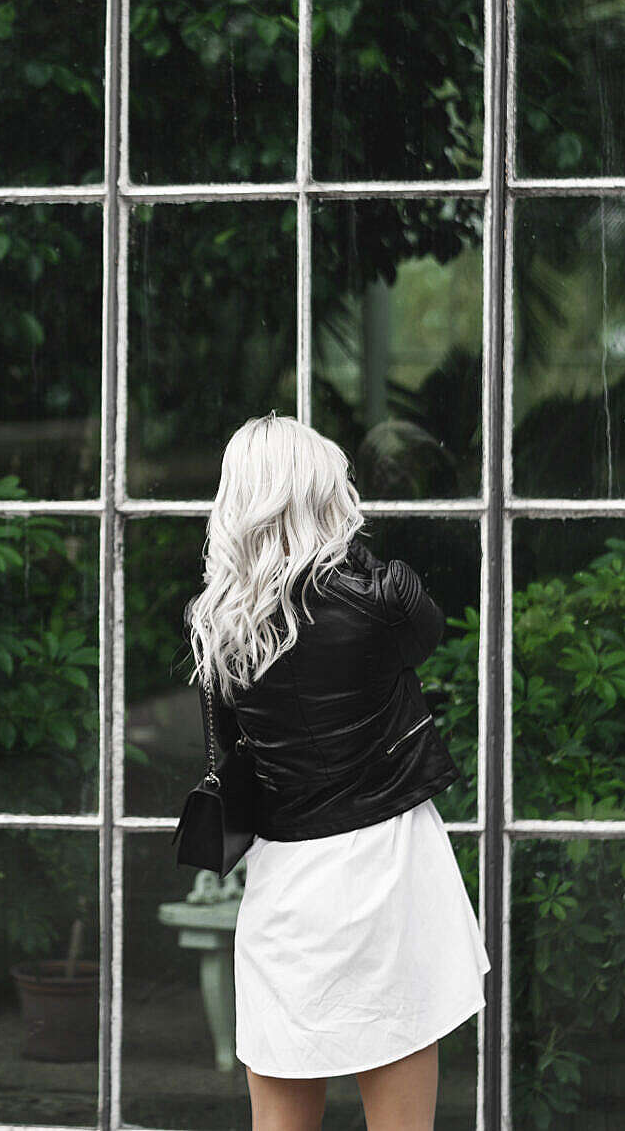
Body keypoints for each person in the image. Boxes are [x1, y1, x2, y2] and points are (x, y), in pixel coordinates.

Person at [180, 412, 490, 1131]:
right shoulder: (385, 595)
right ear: (329, 495)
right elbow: (427, 637)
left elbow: (228, 753)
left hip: (288, 890)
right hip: (390, 872)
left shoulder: (216, 624)